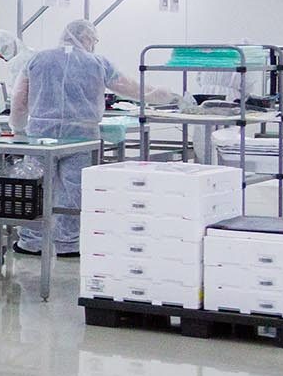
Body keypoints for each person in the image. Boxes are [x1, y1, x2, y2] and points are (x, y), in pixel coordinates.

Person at [9, 19, 174, 257]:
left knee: (35, 186)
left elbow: (19, 98)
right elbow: (128, 86)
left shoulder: (37, 59)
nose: (93, 44)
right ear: (86, 38)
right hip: (80, 137)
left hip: (40, 136)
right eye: (93, 40)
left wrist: (18, 127)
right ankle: (68, 243)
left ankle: (31, 242)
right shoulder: (97, 63)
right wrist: (159, 95)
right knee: (75, 189)